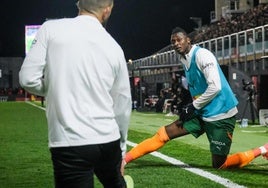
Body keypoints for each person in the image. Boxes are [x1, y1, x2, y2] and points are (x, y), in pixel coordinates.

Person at [19, 0, 132, 187]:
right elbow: (122, 104)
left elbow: (27, 79)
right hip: (108, 140)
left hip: (71, 141)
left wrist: (59, 85)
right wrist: (121, 152)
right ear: (107, 11)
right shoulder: (114, 47)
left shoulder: (51, 29)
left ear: (79, 4)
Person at [123, 27, 268, 169]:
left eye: (179, 40)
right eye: (173, 41)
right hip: (202, 111)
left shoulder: (202, 56)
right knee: (163, 133)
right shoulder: (184, 59)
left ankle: (263, 149)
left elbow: (215, 87)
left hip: (221, 115)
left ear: (188, 40)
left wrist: (193, 106)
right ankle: (124, 160)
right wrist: (192, 106)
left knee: (220, 165)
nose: (176, 44)